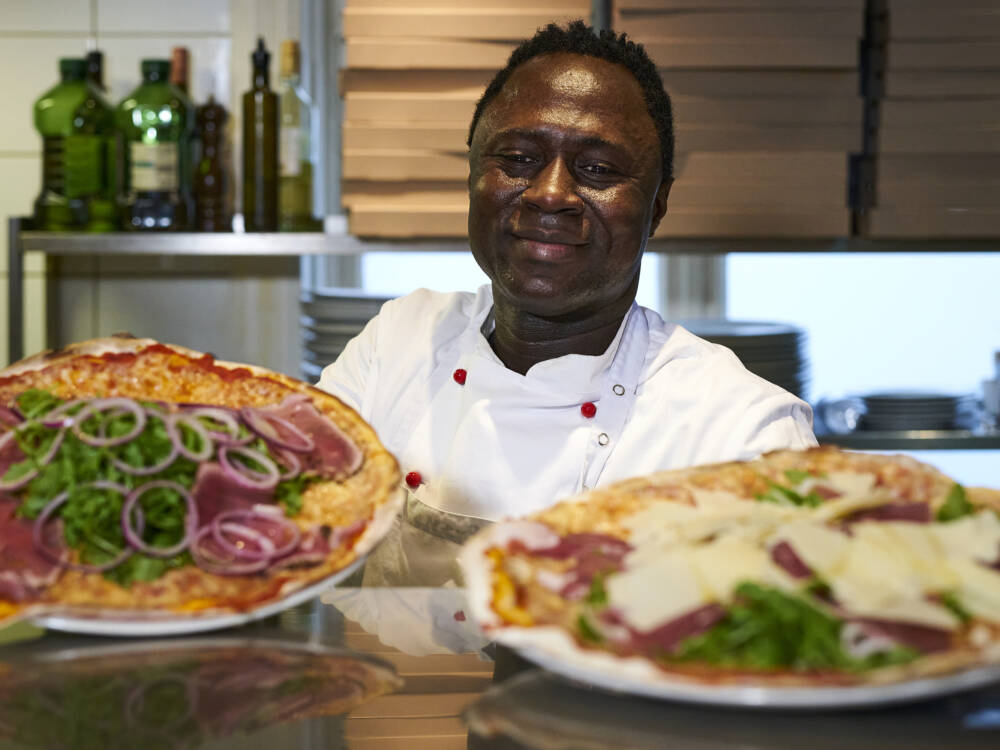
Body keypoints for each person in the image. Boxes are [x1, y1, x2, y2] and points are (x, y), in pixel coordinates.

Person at [319, 21, 817, 585]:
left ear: (657, 206)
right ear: (471, 179)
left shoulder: (742, 432)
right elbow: (285, 522)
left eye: (598, 170)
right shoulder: (401, 339)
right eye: (518, 158)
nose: (550, 194)